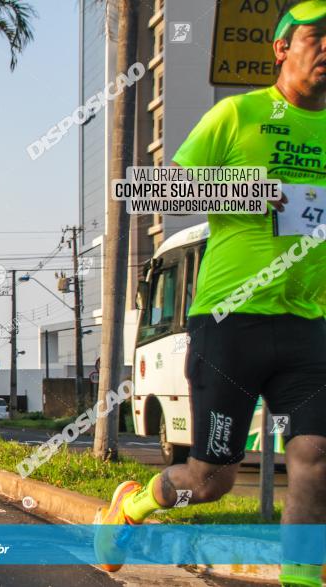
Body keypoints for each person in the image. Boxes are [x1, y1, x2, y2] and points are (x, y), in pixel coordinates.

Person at [94, 4, 326, 585]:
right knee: (210, 479)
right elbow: (153, 186)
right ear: (281, 49)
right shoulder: (237, 114)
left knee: (315, 462)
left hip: (309, 322)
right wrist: (245, 188)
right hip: (231, 322)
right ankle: (133, 506)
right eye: (316, 39)